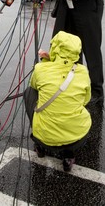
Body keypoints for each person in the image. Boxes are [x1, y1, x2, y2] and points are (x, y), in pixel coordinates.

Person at [24, 31, 91, 172]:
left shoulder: (41, 69)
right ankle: (68, 156)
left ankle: (39, 145)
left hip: (45, 138)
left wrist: (47, 61)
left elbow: (34, 86)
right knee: (76, 105)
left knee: (29, 92)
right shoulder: (83, 72)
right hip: (76, 139)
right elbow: (86, 100)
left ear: (55, 48)